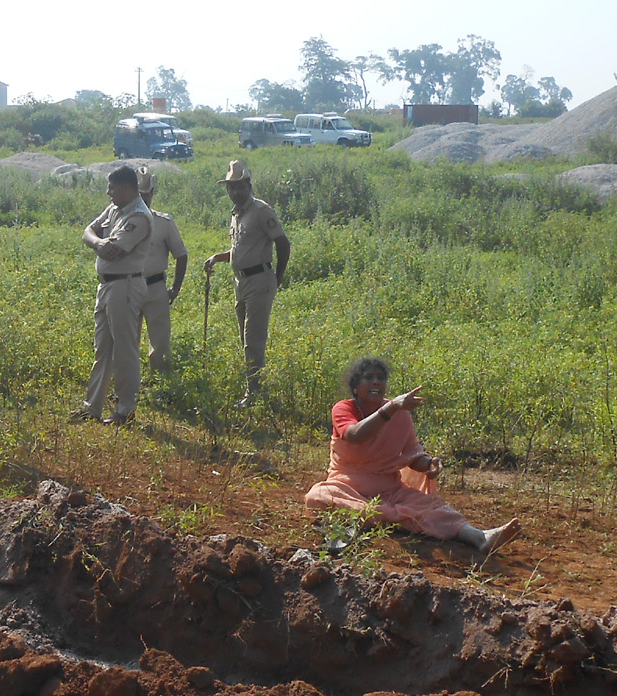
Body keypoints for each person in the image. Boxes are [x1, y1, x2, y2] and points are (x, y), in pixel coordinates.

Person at [304, 357, 523, 556]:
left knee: (435, 507)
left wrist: (429, 464)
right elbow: (354, 435)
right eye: (368, 378)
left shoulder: (399, 413)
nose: (376, 382)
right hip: (346, 489)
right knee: (318, 497)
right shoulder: (344, 408)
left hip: (390, 492)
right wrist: (391, 408)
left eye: (380, 378)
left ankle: (479, 537)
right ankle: (382, 518)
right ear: (355, 387)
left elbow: (412, 454)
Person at [203, 161, 289, 409]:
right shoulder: (237, 213)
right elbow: (240, 249)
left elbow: (283, 244)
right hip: (241, 281)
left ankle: (256, 395)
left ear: (249, 185)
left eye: (239, 187)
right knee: (245, 338)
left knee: (253, 339)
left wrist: (278, 277)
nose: (235, 192)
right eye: (231, 187)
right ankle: (254, 388)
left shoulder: (261, 210)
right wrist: (218, 258)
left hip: (260, 279)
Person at [71, 166, 152, 426]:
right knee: (102, 349)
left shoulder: (139, 216)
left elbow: (115, 250)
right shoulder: (114, 209)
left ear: (128, 188)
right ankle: (92, 406)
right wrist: (97, 242)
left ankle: (125, 410)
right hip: (107, 287)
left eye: (113, 187)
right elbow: (88, 231)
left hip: (125, 287)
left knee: (125, 350)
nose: (109, 192)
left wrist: (102, 244)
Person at [136, 167, 188, 374]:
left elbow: (181, 255)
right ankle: (128, 388)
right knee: (126, 342)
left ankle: (161, 386)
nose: (142, 199)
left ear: (152, 194)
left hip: (156, 287)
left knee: (160, 344)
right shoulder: (120, 222)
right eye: (138, 195)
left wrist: (175, 289)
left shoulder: (164, 223)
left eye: (145, 195)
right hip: (129, 286)